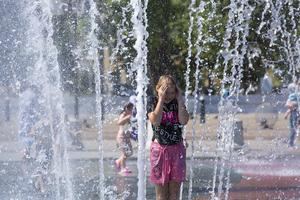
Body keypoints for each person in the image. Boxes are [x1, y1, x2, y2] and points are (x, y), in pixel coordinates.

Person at [147, 75, 189, 200]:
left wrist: (180, 100)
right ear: (158, 89)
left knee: (174, 193)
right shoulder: (152, 101)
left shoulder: (177, 102)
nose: (168, 96)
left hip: (177, 150)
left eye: (171, 92)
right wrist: (160, 99)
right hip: (159, 150)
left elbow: (183, 120)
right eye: (165, 92)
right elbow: (155, 121)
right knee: (161, 194)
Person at [115, 102, 134, 175]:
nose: (132, 110)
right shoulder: (123, 115)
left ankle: (118, 161)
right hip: (122, 137)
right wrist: (127, 117)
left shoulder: (129, 115)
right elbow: (119, 123)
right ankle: (123, 168)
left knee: (130, 152)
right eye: (130, 109)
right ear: (126, 108)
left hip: (127, 137)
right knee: (125, 153)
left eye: (132, 109)